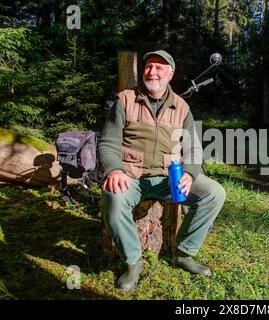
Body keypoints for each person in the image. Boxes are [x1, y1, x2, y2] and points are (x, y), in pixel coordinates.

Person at [98, 50, 226, 292]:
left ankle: (184, 254)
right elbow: (108, 142)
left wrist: (188, 173)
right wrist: (113, 170)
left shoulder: (182, 107)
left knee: (214, 193)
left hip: (169, 178)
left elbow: (194, 150)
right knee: (112, 199)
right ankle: (133, 262)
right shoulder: (125, 100)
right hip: (132, 177)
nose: (152, 71)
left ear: (170, 74)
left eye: (159, 67)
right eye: (148, 67)